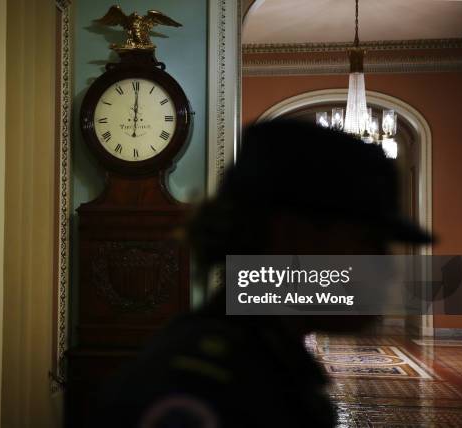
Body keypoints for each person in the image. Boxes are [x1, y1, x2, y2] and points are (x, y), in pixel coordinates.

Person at [94, 119, 433, 427]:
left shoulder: (262, 363)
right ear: (290, 236)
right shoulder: (206, 389)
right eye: (368, 241)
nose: (388, 268)